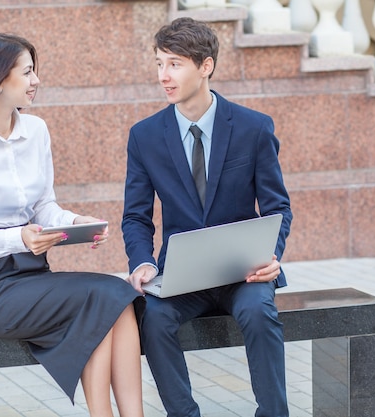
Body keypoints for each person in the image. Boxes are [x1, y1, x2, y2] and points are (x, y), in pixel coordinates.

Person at [0, 32, 145, 417]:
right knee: (100, 297)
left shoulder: (37, 131)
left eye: (35, 71)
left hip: (31, 276)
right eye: (27, 72)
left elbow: (45, 207)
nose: (36, 81)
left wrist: (78, 222)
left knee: (119, 298)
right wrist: (18, 238)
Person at [121, 18, 293, 417]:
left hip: (244, 272)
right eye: (159, 63)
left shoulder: (253, 127)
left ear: (206, 66)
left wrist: (272, 255)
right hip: (182, 277)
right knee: (154, 320)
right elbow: (136, 216)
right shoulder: (144, 136)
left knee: (259, 313)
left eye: (175, 64)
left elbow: (278, 206)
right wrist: (142, 262)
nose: (164, 76)